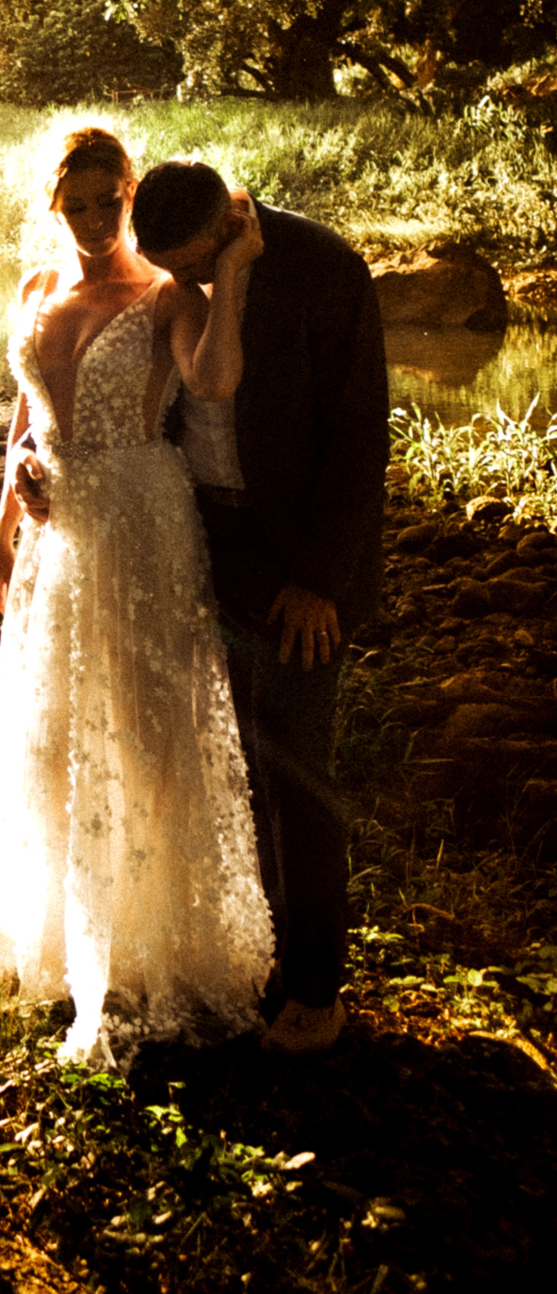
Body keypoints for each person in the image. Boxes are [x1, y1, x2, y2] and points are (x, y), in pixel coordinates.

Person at [0, 126, 272, 1067]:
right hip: (54, 530)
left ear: (132, 195)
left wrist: (231, 271)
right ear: (54, 201)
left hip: (142, 521)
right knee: (57, 728)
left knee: (148, 728)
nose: (100, 219)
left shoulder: (164, 297)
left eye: (114, 201)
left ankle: (159, 951)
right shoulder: (35, 288)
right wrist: (4, 519)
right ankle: (69, 947)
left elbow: (216, 381)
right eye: (81, 202)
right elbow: (26, 415)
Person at [130, 158, 389, 1057]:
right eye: (174, 270)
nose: (187, 284)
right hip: (208, 549)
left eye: (199, 264)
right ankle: (266, 961)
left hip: (297, 569)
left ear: (232, 219)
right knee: (233, 765)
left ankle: (317, 989)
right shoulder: (177, 275)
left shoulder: (325, 266)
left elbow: (360, 434)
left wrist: (319, 577)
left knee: (297, 775)